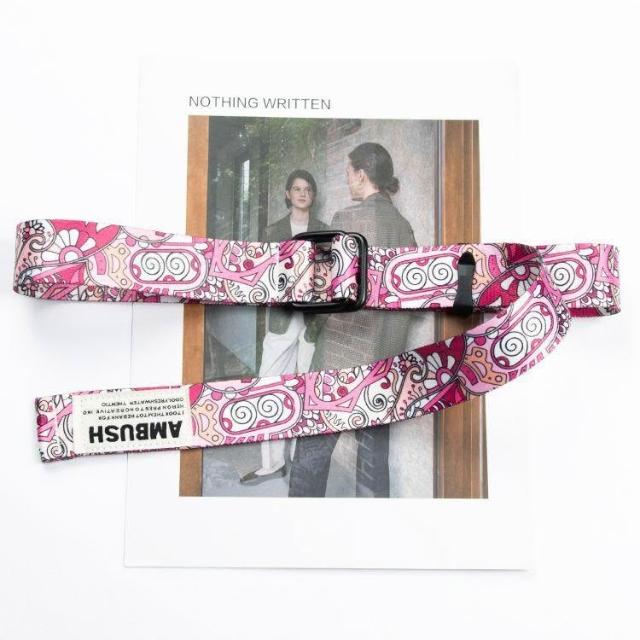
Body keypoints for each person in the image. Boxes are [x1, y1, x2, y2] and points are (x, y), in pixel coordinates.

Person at [288, 143, 417, 498]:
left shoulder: (346, 220)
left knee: (312, 451)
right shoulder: (404, 228)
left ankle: (297, 522)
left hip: (339, 358)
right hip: (385, 364)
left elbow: (321, 290)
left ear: (361, 174)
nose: (347, 180)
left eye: (348, 173)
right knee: (374, 460)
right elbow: (414, 299)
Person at [240, 170, 328, 485]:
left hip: (312, 324)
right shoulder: (273, 231)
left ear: (313, 194)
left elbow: (331, 279)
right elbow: (261, 277)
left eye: (308, 188)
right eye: (296, 188)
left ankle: (298, 461)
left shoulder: (325, 231)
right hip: (281, 321)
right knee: (270, 386)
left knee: (306, 391)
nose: (302, 193)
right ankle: (272, 464)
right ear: (288, 194)